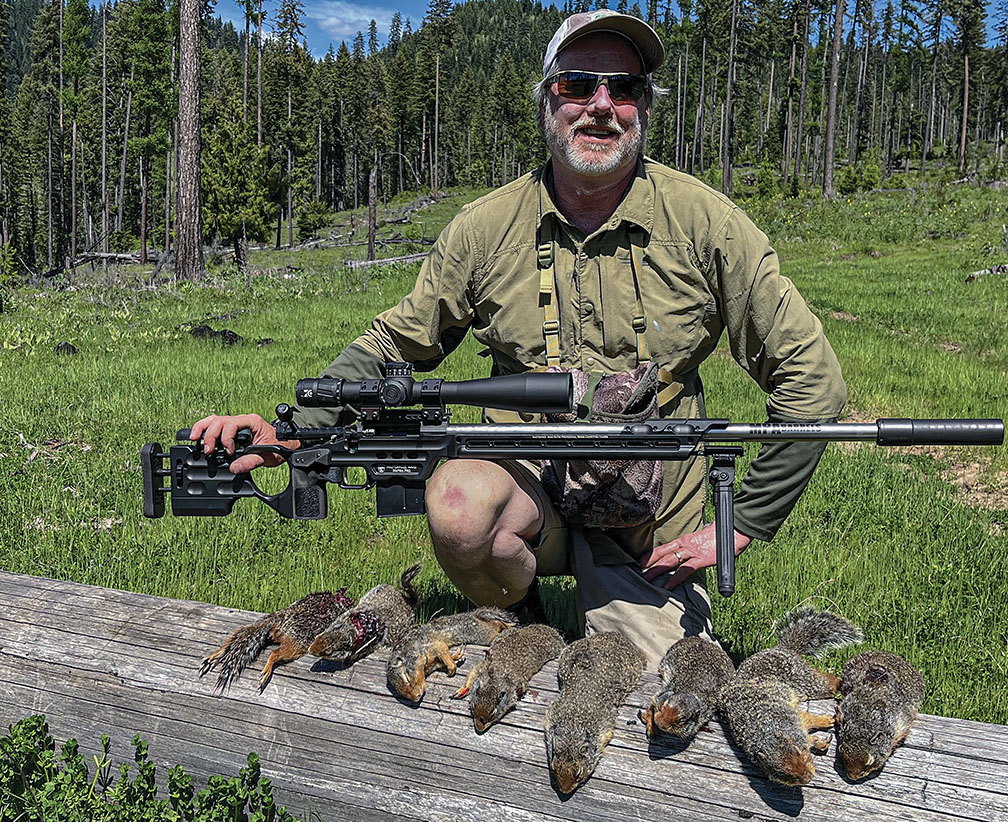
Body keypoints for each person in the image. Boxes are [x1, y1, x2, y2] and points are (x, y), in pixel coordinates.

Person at [189, 11, 846, 663]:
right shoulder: (485, 228)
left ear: (646, 107)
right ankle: (517, 612)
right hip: (528, 485)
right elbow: (399, 341)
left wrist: (744, 525)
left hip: (647, 512)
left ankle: (614, 604)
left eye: (625, 88)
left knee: (651, 688)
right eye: (578, 85)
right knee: (455, 503)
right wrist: (297, 425)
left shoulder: (709, 225)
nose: (601, 107)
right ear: (546, 101)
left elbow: (813, 382)